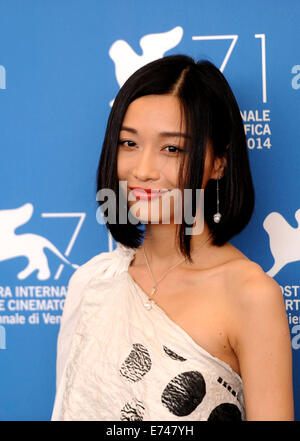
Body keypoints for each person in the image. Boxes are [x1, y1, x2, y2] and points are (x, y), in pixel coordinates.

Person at [51, 54, 294, 421]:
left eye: (171, 148)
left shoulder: (250, 295)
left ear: (218, 162)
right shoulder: (93, 282)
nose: (143, 170)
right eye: (129, 144)